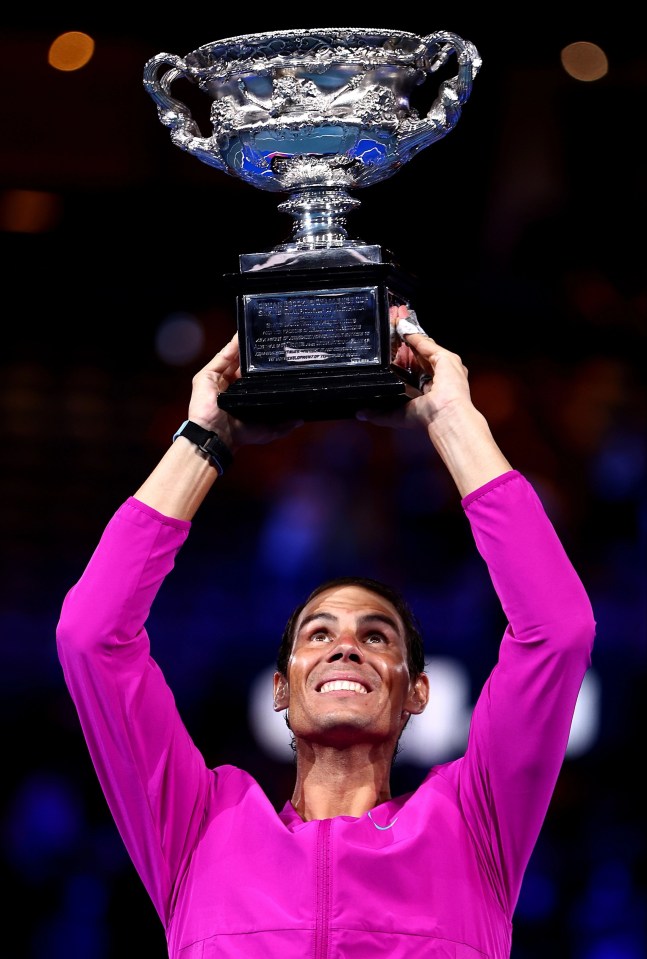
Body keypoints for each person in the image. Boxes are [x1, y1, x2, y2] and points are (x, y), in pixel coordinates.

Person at [56, 307, 596, 959]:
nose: (345, 644)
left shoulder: (473, 825)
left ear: (415, 691)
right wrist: (205, 436)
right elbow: (93, 635)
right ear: (281, 687)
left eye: (376, 636)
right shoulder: (196, 826)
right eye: (317, 633)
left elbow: (556, 632)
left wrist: (453, 420)